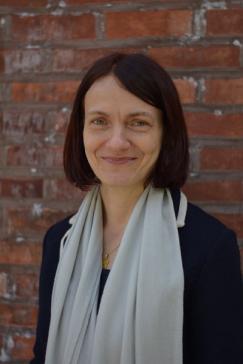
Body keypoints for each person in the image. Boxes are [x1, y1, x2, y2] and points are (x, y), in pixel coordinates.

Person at [30, 53, 243, 364]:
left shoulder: (209, 248)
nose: (116, 142)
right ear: (81, 132)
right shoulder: (59, 241)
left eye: (138, 122)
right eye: (99, 121)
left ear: (166, 134)